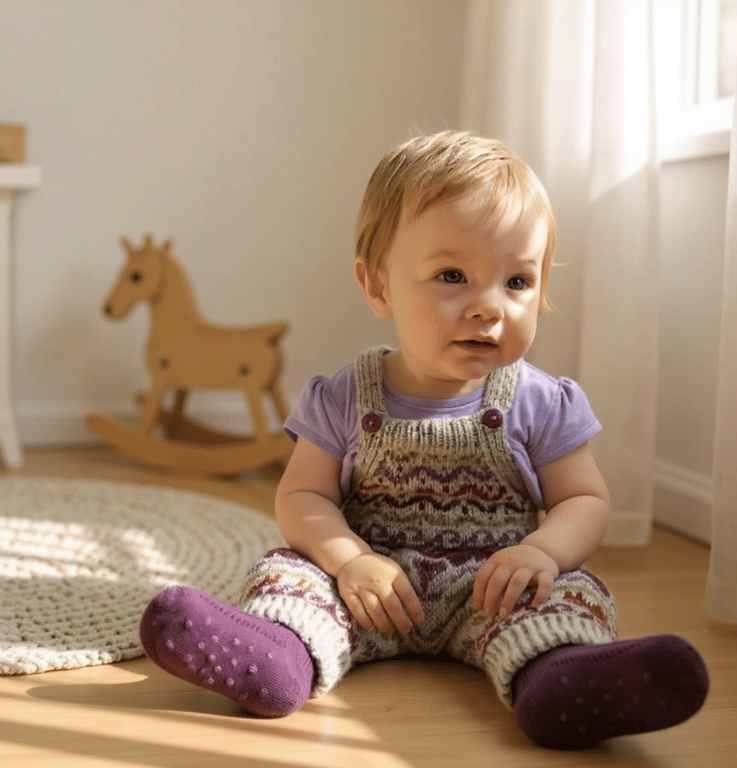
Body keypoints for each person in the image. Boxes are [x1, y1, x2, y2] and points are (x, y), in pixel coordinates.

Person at [140, 130, 708, 750]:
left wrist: (543, 552)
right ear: (378, 285)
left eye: (517, 282)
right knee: (287, 574)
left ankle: (559, 681)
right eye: (453, 276)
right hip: (369, 590)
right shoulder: (343, 397)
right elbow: (302, 496)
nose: (489, 307)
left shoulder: (541, 401)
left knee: (573, 592)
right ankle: (277, 659)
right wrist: (348, 558)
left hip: (494, 590)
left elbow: (584, 500)